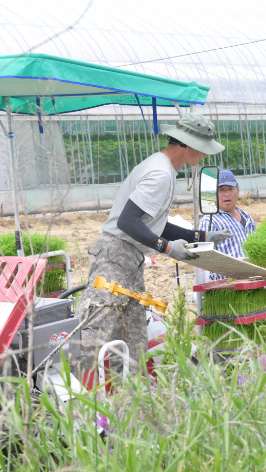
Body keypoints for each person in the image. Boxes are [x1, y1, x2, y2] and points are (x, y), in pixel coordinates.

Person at [72, 113, 233, 387]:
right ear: (188, 145)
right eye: (203, 149)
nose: (204, 155)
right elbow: (128, 220)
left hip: (129, 260)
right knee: (99, 335)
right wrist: (168, 248)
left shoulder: (164, 168)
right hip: (114, 257)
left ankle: (130, 401)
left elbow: (153, 224)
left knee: (133, 336)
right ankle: (77, 399)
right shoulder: (160, 174)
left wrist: (199, 235)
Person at [199, 170, 257, 280]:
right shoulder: (210, 221)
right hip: (224, 287)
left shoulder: (247, 217)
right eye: (221, 190)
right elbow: (199, 258)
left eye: (230, 189)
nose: (227, 194)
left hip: (252, 282)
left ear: (238, 191)